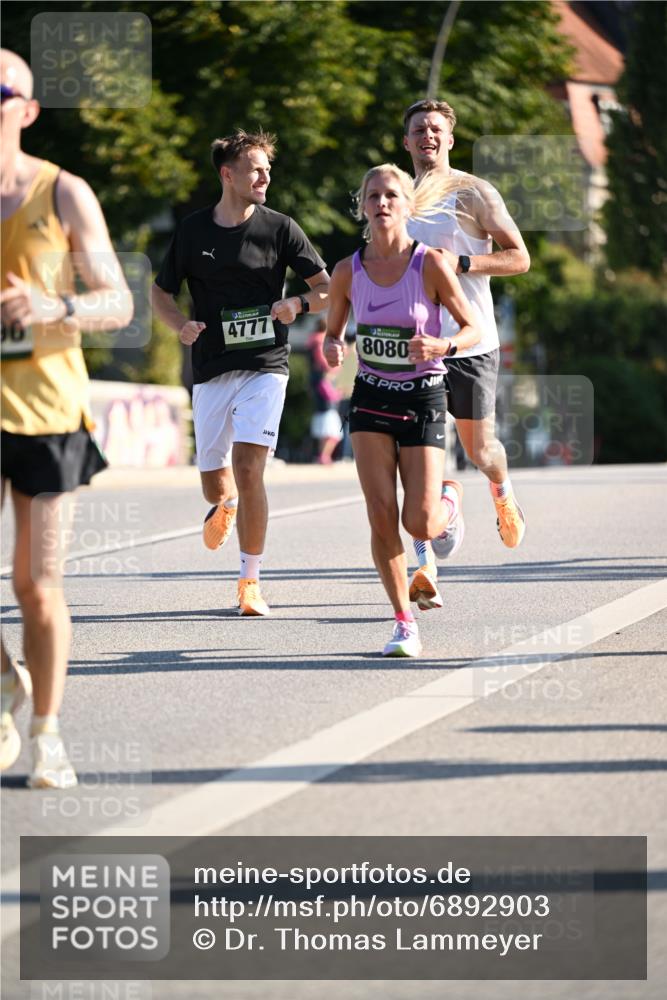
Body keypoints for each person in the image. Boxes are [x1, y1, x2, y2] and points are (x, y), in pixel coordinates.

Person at [0, 49, 133, 784]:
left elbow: (119, 300)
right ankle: (6, 685)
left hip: (47, 411)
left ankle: (47, 732)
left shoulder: (63, 192)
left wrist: (53, 306)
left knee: (35, 585)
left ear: (26, 108)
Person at [152, 129, 329, 616]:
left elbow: (329, 288)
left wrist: (297, 302)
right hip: (211, 369)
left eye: (268, 169)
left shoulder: (280, 228)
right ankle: (223, 502)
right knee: (216, 483)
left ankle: (249, 580)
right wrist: (180, 325)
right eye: (256, 168)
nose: (265, 176)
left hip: (265, 365)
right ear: (227, 174)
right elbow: (160, 293)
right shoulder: (192, 232)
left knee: (251, 468)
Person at [323, 164, 480, 657]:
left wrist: (443, 346)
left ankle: (448, 503)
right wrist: (333, 348)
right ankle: (403, 622)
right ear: (363, 206)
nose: (383, 203)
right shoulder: (347, 270)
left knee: (420, 522)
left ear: (408, 205)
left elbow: (470, 328)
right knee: (380, 514)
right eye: (374, 196)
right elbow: (333, 331)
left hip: (423, 397)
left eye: (392, 195)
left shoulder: (429, 263)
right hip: (370, 397)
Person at [402, 98, 530, 583]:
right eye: (419, 129)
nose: (427, 136)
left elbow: (519, 258)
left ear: (450, 139)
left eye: (436, 129)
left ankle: (500, 490)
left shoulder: (473, 193)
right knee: (415, 457)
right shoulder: (396, 196)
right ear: (407, 140)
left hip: (471, 342)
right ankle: (423, 564)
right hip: (414, 348)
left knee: (482, 451)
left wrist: (459, 264)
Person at [307, 319, 343, 464]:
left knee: (325, 421)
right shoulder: (321, 341)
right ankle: (324, 455)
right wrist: (336, 368)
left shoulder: (311, 340)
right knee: (332, 425)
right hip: (325, 384)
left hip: (316, 384)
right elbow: (324, 362)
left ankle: (323, 455)